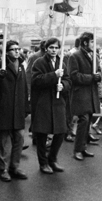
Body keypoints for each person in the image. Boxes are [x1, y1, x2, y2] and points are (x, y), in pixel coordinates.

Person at [0, 40, 29, 182]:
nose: (17, 51)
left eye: (18, 49)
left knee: (19, 139)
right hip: (4, 107)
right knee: (3, 143)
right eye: (13, 49)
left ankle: (14, 167)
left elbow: (24, 87)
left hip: (18, 109)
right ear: (6, 51)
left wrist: (26, 107)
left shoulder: (21, 65)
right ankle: (3, 169)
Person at [31, 37, 71, 174]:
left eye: (56, 48)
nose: (54, 50)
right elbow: (36, 81)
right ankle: (43, 163)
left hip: (58, 102)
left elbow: (68, 80)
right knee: (42, 134)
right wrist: (54, 75)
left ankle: (52, 159)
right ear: (46, 48)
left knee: (60, 131)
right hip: (44, 102)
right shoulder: (39, 62)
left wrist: (63, 86)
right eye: (51, 48)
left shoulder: (62, 63)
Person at [68, 32, 101, 161]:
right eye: (92, 42)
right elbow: (74, 76)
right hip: (81, 94)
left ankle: (83, 147)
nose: (94, 44)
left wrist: (98, 76)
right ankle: (77, 150)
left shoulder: (94, 55)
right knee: (84, 120)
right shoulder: (75, 56)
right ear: (85, 42)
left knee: (88, 121)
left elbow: (98, 72)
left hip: (91, 93)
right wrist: (91, 78)